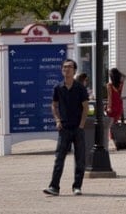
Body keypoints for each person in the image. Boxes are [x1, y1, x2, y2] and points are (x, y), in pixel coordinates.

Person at [43, 59, 89, 196]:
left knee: (79, 159)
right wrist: (57, 120)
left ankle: (77, 187)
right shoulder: (58, 87)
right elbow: (54, 105)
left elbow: (85, 107)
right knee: (59, 158)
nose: (66, 69)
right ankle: (54, 187)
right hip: (64, 128)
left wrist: (81, 125)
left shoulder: (80, 88)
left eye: (69, 67)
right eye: (64, 67)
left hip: (77, 128)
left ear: (74, 70)